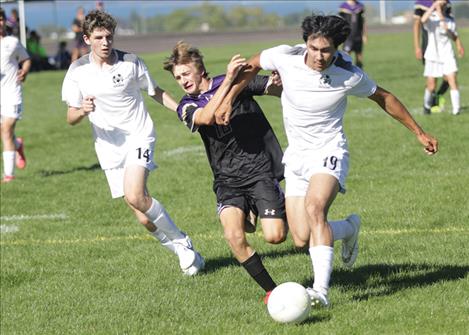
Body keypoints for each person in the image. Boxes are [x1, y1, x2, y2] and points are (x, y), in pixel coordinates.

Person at [215, 15, 438, 307]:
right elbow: (253, 64)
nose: (319, 56)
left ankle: (320, 292)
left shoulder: (348, 73)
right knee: (300, 237)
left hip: (329, 151)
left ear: (337, 47)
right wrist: (229, 98)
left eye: (326, 50)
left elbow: (384, 97)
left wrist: (419, 133)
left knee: (315, 208)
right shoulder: (284, 56)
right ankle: (348, 228)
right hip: (296, 157)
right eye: (314, 48)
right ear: (306, 42)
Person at [61, 10, 204, 275]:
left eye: (109, 36)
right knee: (142, 216)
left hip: (139, 135)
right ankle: (188, 255)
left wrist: (185, 112)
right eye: (99, 37)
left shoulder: (130, 63)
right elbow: (70, 116)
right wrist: (82, 110)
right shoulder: (77, 71)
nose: (105, 42)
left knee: (136, 194)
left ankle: (183, 242)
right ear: (86, 38)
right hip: (108, 147)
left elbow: (156, 92)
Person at [163, 41, 287, 302]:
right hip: (227, 180)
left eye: (186, 74)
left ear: (200, 70)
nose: (182, 81)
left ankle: (271, 209)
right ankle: (271, 291)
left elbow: (274, 89)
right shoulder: (185, 106)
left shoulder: (233, 83)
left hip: (259, 171)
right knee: (233, 236)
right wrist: (230, 80)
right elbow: (207, 117)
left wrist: (279, 81)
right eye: (177, 77)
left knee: (276, 236)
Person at [1, 8, 30, 183]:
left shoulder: (12, 42)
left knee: (6, 130)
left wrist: (24, 71)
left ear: (4, 21)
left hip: (12, 94)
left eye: (0, 19)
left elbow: (25, 59)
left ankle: (9, 176)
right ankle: (18, 145)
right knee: (4, 133)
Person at [421, 0, 464, 116]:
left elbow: (448, 31)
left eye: (444, 3)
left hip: (447, 54)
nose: (442, 5)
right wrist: (433, 8)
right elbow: (422, 20)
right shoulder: (431, 17)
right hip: (432, 55)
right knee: (431, 85)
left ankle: (456, 110)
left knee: (452, 79)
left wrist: (440, 14)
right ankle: (426, 106)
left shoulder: (450, 20)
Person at [413, 0, 453, 113]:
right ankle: (427, 108)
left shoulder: (446, 3)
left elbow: (450, 23)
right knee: (432, 82)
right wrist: (417, 47)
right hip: (428, 47)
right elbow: (417, 25)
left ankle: (437, 95)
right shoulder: (421, 3)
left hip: (445, 48)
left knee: (449, 78)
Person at [338, 0, 367, 68]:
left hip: (358, 36)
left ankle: (360, 75)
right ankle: (346, 75)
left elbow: (363, 22)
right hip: (347, 37)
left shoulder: (360, 6)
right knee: (346, 58)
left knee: (359, 58)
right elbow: (340, 23)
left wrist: (364, 35)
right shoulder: (343, 7)